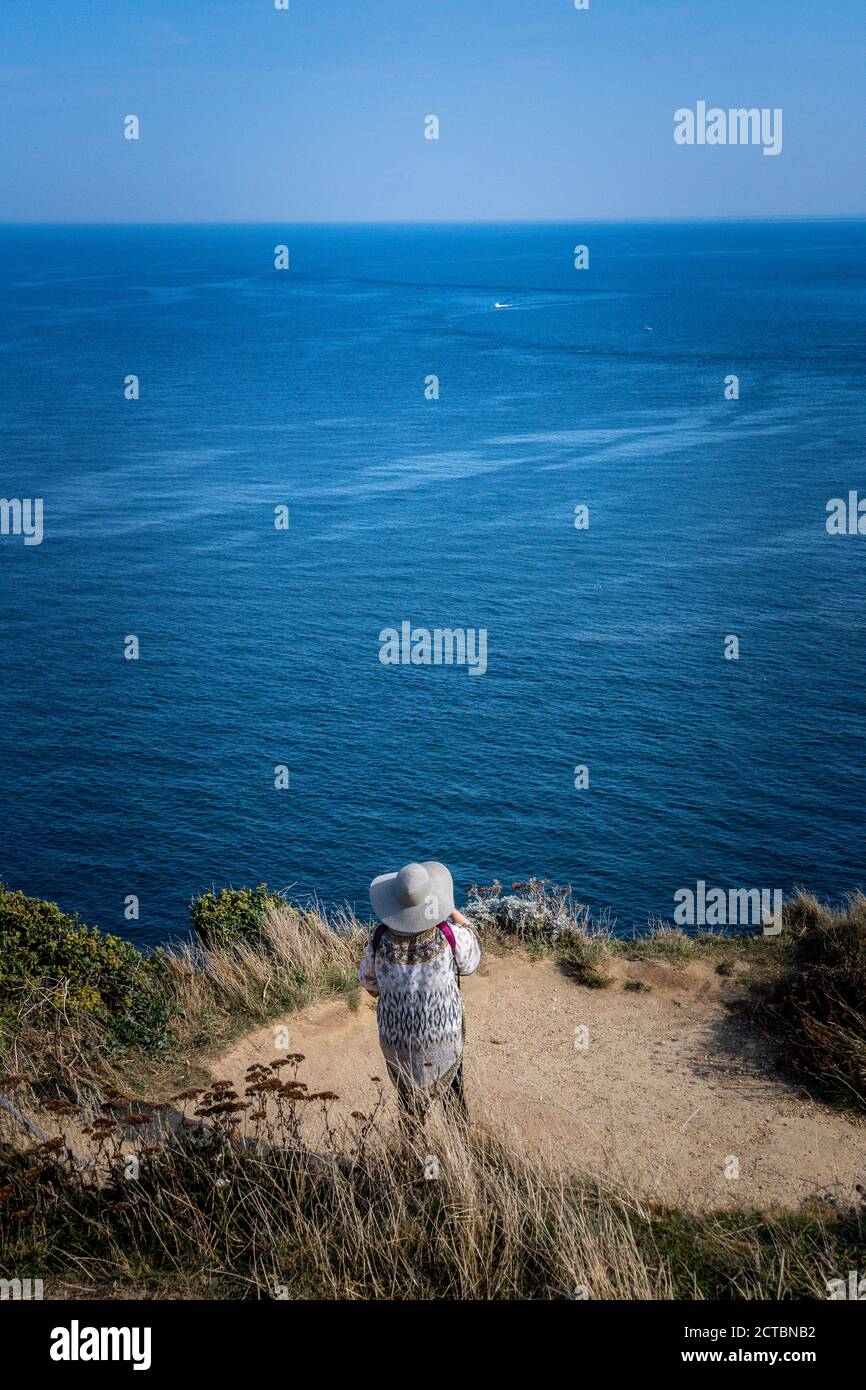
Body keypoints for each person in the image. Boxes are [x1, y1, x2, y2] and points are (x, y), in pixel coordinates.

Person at [359, 860, 481, 1128]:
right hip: (443, 1036)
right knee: (453, 1094)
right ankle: (461, 1148)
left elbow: (368, 984)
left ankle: (410, 1154)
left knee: (408, 1104)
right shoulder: (448, 934)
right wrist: (452, 913)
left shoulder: (379, 940)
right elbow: (471, 964)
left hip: (397, 1039)